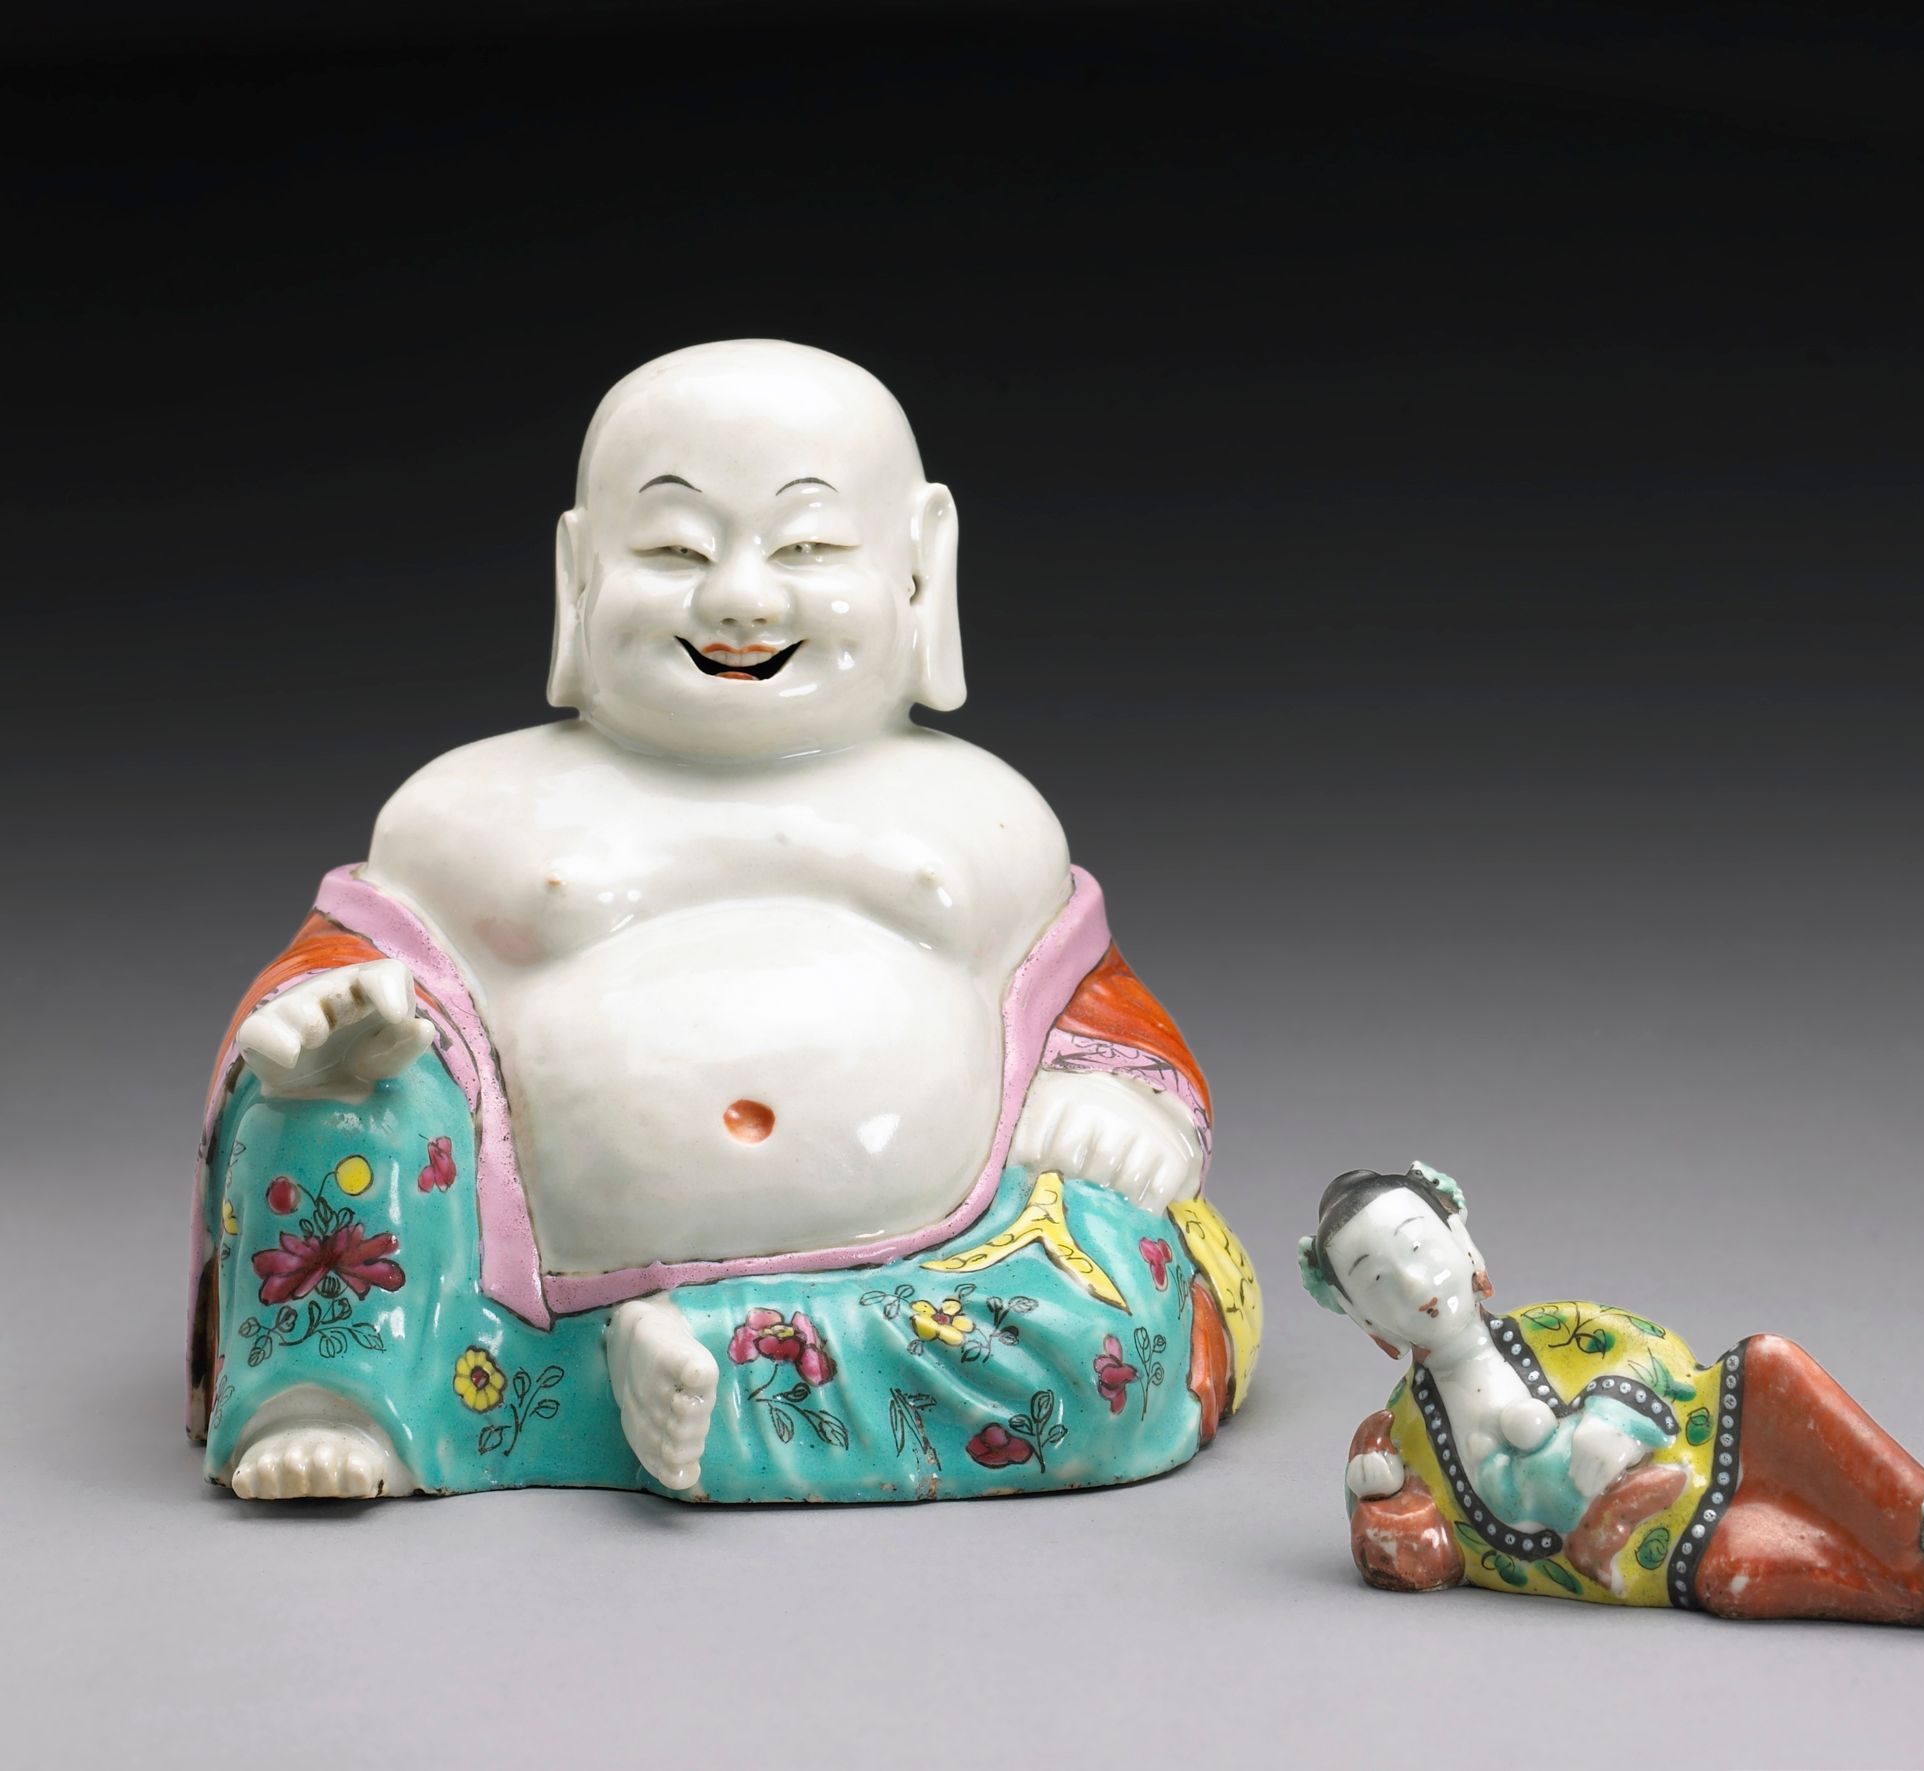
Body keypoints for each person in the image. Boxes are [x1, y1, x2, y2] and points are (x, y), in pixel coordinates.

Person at [188, 341, 1257, 1502]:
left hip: (922, 1266)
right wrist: (315, 1025)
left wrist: (1121, 1093)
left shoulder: (984, 815)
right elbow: (348, 964)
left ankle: (702, 1371)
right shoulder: (463, 812)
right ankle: (338, 1389)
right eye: (675, 552)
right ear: (578, 575)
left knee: (1115, 1319)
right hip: (525, 1304)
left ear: (921, 571)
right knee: (341, 1089)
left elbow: (1087, 999)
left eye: (808, 548)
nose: (742, 598)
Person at [1300, 1164, 1924, 1626]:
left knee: (1771, 1363)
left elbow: (1658, 1353)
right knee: (1739, 1576)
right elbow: (1428, 1560)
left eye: (1420, 1247)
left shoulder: (1557, 1329)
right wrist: (1379, 1497)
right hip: (1676, 1551)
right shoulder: (1404, 1435)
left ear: (1464, 1244)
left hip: (1716, 1438)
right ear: (1364, 1321)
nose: (1415, 1285)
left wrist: (1611, 1414)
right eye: (1376, 1280)